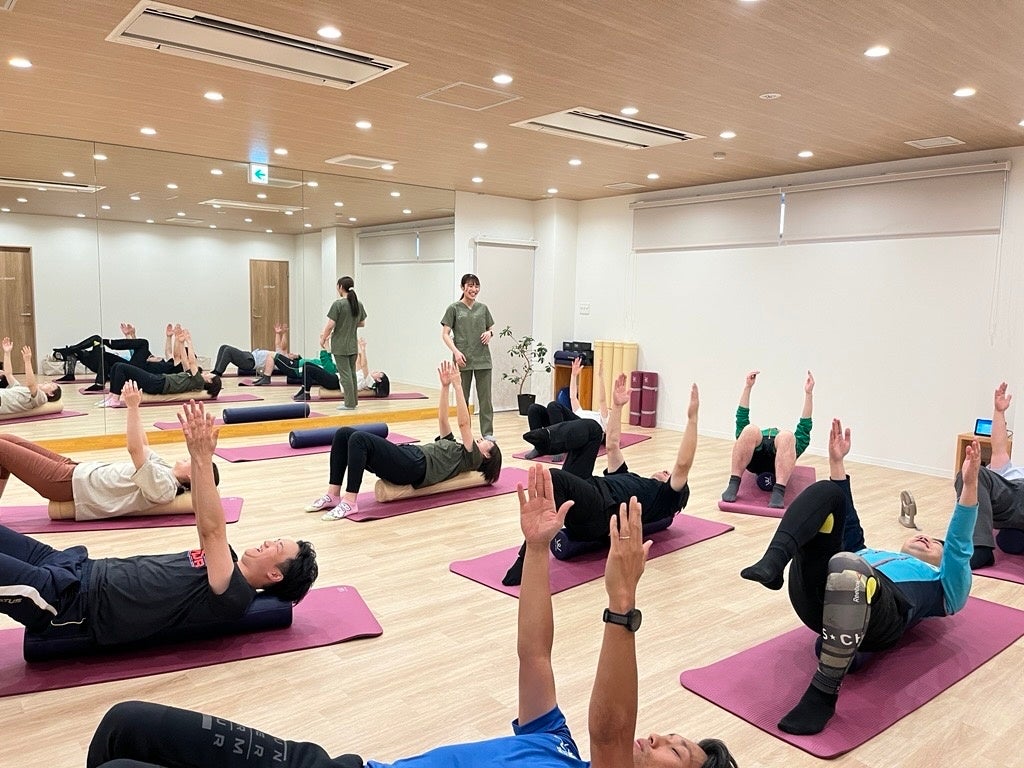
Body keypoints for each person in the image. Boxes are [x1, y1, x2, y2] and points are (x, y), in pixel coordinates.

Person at [85, 466, 737, 768]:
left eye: (675, 751)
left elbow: (612, 730)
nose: (656, 738)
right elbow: (535, 654)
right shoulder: (557, 745)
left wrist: (621, 606)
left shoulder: (601, 757)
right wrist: (538, 551)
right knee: (125, 725)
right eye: (670, 736)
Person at [0, 398, 318, 650]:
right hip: (76, 567)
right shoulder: (226, 562)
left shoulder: (234, 595)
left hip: (71, 603)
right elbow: (204, 521)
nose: (267, 542)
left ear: (275, 574)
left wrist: (203, 458)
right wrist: (196, 458)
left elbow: (213, 530)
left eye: (276, 547)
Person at [740, 418, 977, 735]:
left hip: (883, 615)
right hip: (816, 600)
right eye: (923, 536)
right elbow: (847, 521)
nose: (926, 539)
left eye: (936, 544)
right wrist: (837, 463)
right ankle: (774, 561)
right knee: (827, 494)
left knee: (848, 567)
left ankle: (823, 694)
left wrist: (969, 487)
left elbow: (959, 547)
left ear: (942, 561)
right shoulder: (867, 552)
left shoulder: (943, 587)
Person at [503, 374, 697, 586]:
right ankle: (548, 440)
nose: (666, 471)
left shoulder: (664, 498)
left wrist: (692, 421)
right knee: (594, 430)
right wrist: (617, 406)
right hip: (590, 491)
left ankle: (525, 558)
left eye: (668, 475)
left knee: (554, 477)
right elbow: (612, 444)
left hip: (599, 514)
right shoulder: (631, 477)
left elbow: (683, 465)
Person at [305, 360, 502, 521]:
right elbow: (443, 420)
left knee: (358, 439)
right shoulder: (456, 447)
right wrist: (445, 387)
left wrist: (458, 386)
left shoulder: (472, 458)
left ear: (487, 455)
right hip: (409, 456)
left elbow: (463, 424)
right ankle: (333, 495)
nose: (480, 438)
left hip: (415, 466)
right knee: (343, 434)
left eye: (486, 442)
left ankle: (350, 501)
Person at [0, 381, 219, 519]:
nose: (188, 457)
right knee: (6, 439)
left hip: (66, 484)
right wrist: (137, 406)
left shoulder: (164, 487)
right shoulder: (165, 470)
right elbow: (143, 446)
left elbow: (135, 450)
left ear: (193, 476)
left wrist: (131, 407)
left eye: (193, 461)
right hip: (74, 469)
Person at [935, 380, 1024, 569]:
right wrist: (999, 412)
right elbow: (999, 447)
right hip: (1010, 499)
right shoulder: (1006, 472)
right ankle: (980, 548)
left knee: (1011, 542)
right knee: (972, 473)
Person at [721, 370, 814, 508]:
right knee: (751, 430)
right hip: (754, 459)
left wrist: (808, 394)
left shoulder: (787, 444)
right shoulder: (785, 442)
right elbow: (804, 427)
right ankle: (733, 483)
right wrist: (748, 387)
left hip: (779, 464)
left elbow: (741, 417)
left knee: (784, 436)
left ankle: (779, 491)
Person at [98, 328, 221, 407]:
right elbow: (184, 359)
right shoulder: (192, 378)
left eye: (209, 375)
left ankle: (115, 399)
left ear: (209, 381)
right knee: (117, 366)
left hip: (159, 383)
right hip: (158, 380)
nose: (206, 373)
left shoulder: (198, 381)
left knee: (121, 367)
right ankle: (111, 396)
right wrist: (181, 342)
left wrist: (189, 341)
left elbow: (192, 362)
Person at [441, 272, 495, 438]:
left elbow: (491, 328)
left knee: (485, 400)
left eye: (476, 286)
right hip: (462, 359)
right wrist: (456, 352)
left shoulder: (483, 308)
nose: (474, 289)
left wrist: (489, 333)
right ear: (462, 287)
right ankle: (466, 433)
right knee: (462, 398)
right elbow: (445, 334)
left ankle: (488, 433)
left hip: (483, 359)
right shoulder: (454, 309)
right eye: (470, 286)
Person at [53, 322, 181, 390]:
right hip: (134, 368)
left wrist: (179, 341)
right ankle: (96, 381)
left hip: (141, 373)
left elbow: (175, 354)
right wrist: (169, 337)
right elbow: (167, 352)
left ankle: (105, 343)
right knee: (101, 354)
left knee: (144, 343)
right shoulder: (166, 361)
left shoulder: (177, 367)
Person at [524, 356, 608, 460]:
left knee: (553, 405)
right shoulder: (581, 412)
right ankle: (539, 446)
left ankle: (557, 447)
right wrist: (573, 375)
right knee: (534, 408)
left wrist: (600, 377)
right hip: (570, 427)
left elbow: (602, 401)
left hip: (583, 431)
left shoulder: (603, 420)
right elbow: (573, 397)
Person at [288, 339, 389, 401]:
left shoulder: (370, 382)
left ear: (379, 379)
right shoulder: (363, 376)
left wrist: (363, 348)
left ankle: (305, 393)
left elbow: (364, 365)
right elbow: (358, 362)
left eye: (378, 373)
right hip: (336, 377)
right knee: (307, 365)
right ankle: (304, 392)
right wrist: (356, 345)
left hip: (335, 382)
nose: (375, 371)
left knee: (308, 368)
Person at [320, 276, 367, 411]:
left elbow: (330, 325)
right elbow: (362, 323)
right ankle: (353, 402)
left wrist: (323, 338)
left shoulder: (338, 304)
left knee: (345, 375)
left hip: (340, 346)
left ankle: (349, 404)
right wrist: (350, 324)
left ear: (341, 287)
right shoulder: (358, 304)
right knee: (352, 374)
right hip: (352, 345)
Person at [210, 322, 296, 385]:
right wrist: (278, 333)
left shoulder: (283, 360)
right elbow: (278, 344)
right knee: (223, 347)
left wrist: (284, 333)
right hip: (250, 356)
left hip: (250, 362)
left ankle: (218, 372)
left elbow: (283, 346)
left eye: (294, 355)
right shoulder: (279, 355)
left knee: (228, 350)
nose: (292, 353)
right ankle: (216, 370)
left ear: (292, 360)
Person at [0, 338, 61, 416]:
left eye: (51, 385)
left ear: (51, 393)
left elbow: (31, 385)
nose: (46, 382)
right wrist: (7, 352)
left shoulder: (41, 398)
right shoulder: (19, 388)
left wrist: (27, 361)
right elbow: (8, 374)